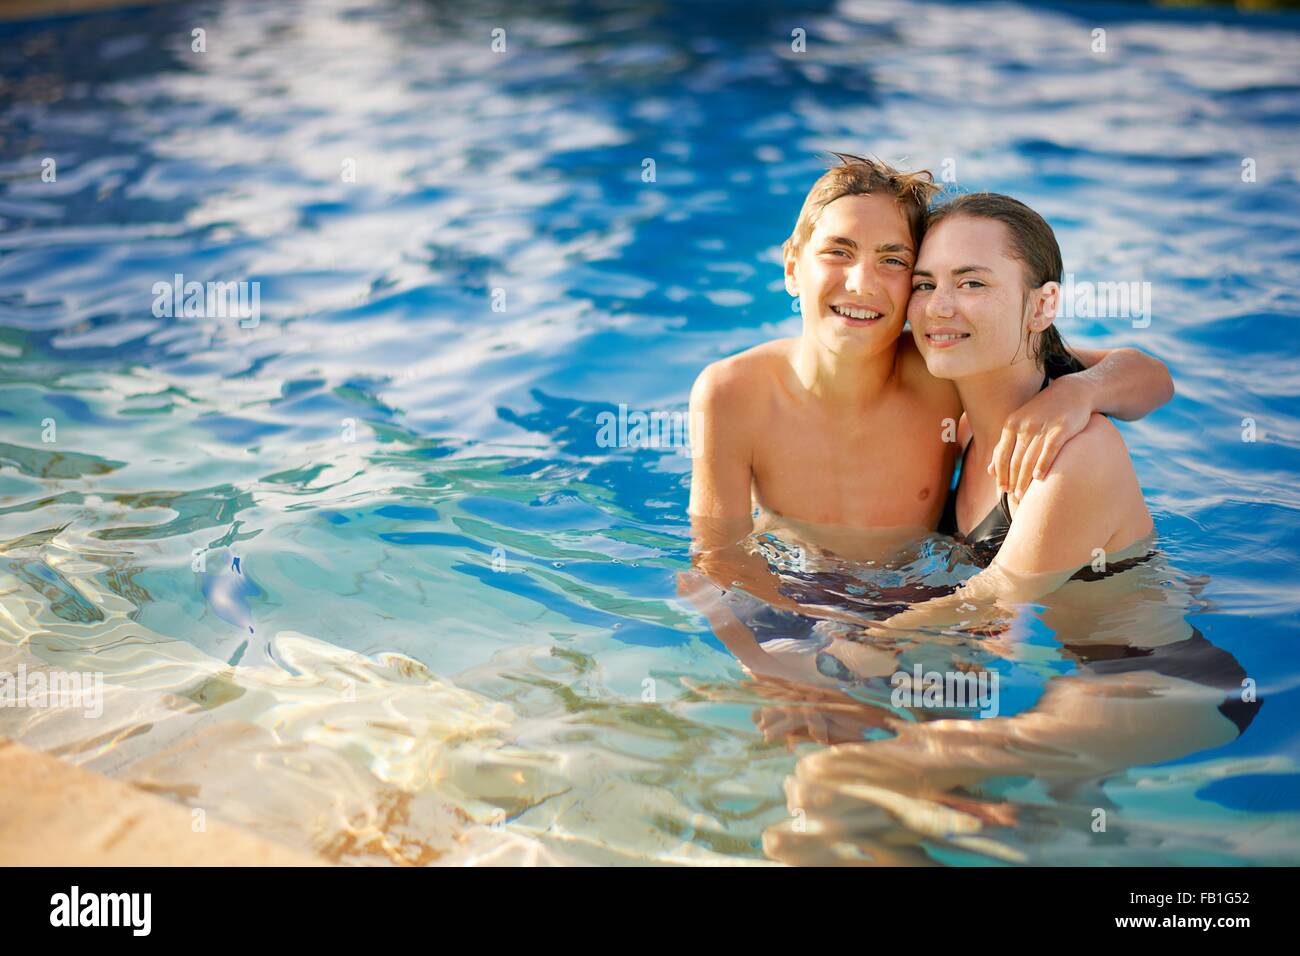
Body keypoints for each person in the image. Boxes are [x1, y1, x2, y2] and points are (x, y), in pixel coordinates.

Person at [680, 155, 1172, 685]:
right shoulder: (732, 393)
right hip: (798, 599)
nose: (862, 283)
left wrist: (1078, 390)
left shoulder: (942, 365)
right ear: (793, 266)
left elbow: (1149, 378)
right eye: (838, 252)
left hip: (928, 606)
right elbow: (720, 555)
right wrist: (776, 666)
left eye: (893, 261)